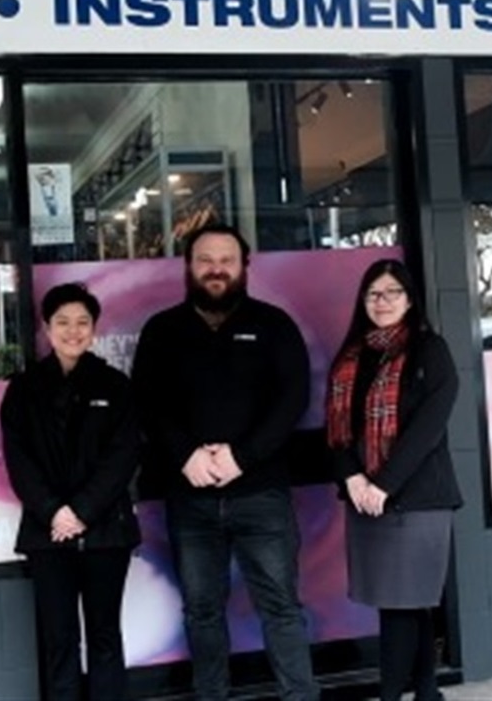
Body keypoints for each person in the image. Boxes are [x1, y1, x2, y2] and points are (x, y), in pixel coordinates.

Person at [131, 224, 319, 701]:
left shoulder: (275, 324)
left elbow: (292, 397)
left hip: (262, 495)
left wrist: (242, 456)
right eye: (205, 259)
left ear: (244, 266)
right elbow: (148, 403)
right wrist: (185, 454)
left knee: (281, 608)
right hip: (190, 498)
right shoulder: (162, 330)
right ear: (188, 267)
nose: (216, 268)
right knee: (201, 612)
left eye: (227, 260)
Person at [326, 259, 461, 701]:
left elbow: (429, 428)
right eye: (373, 294)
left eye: (392, 293)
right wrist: (353, 480)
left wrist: (383, 485)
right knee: (402, 603)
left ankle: (389, 696)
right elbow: (336, 430)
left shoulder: (429, 350)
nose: (382, 302)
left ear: (409, 299)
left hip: (416, 498)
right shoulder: (350, 356)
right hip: (365, 496)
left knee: (404, 605)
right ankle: (426, 692)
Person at [1, 283, 141, 701]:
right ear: (46, 328)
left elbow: (123, 456)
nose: (73, 331)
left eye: (82, 322)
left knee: (104, 636)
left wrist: (80, 511)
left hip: (105, 533)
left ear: (95, 329)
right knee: (59, 640)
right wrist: (53, 512)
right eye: (62, 322)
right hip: (48, 534)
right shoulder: (23, 390)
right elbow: (19, 460)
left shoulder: (115, 385)